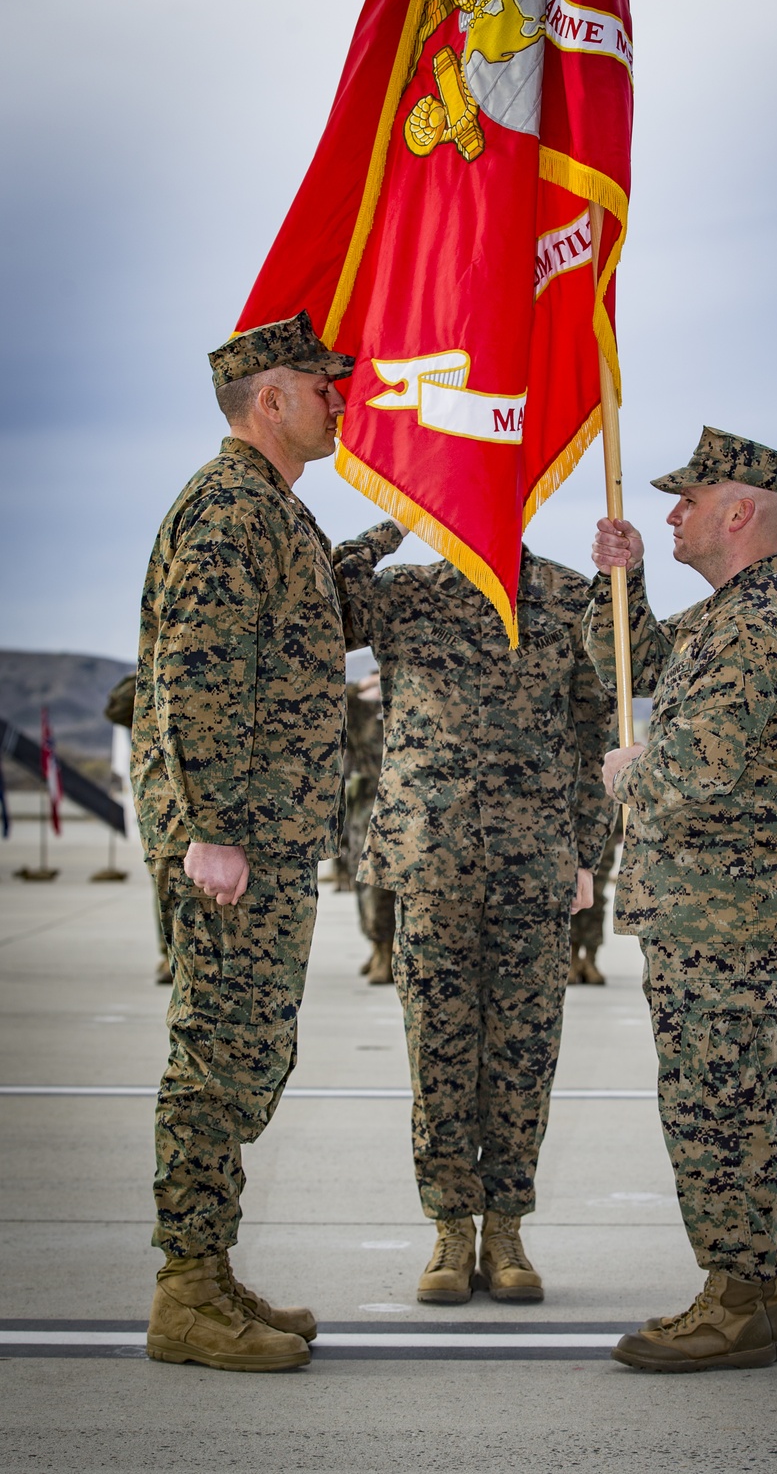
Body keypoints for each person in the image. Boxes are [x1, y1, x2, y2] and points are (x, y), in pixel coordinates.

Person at [131, 312, 354, 1373]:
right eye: (322, 387)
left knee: (245, 1057)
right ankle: (184, 1290)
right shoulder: (230, 509)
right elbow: (197, 680)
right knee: (215, 1061)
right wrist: (213, 832)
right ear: (270, 400)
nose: (338, 400)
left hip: (266, 839)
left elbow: (298, 630)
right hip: (237, 847)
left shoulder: (273, 513)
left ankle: (208, 1269)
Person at [585, 426, 777, 1373]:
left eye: (687, 502)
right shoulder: (728, 614)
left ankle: (737, 1297)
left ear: (739, 514)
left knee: (716, 1106)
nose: (671, 514)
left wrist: (629, 773)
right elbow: (632, 658)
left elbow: (694, 772)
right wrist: (625, 578)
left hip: (721, 918)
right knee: (737, 1102)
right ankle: (750, 1291)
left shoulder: (755, 625)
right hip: (715, 910)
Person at [333, 526, 614, 1303]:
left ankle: (508, 1231)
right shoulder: (407, 592)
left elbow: (597, 734)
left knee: (524, 1058)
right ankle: (451, 1231)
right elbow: (334, 595)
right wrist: (399, 518)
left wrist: (585, 852)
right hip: (433, 860)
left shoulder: (566, 597)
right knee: (440, 1056)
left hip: (534, 864)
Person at [104, 672, 171, 984]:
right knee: (164, 881)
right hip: (161, 801)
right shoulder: (147, 681)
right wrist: (143, 672)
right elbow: (115, 710)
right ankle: (169, 956)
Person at [343, 672, 396, 983]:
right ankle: (378, 947)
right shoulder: (359, 708)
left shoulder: (405, 700)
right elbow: (331, 693)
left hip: (403, 807)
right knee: (367, 882)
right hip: (366, 807)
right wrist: (362, 686)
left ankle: (390, 951)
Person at [567, 809, 621, 984]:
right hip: (570, 832)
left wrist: (618, 828)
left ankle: (590, 959)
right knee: (571, 899)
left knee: (595, 900)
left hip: (603, 836)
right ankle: (572, 959)